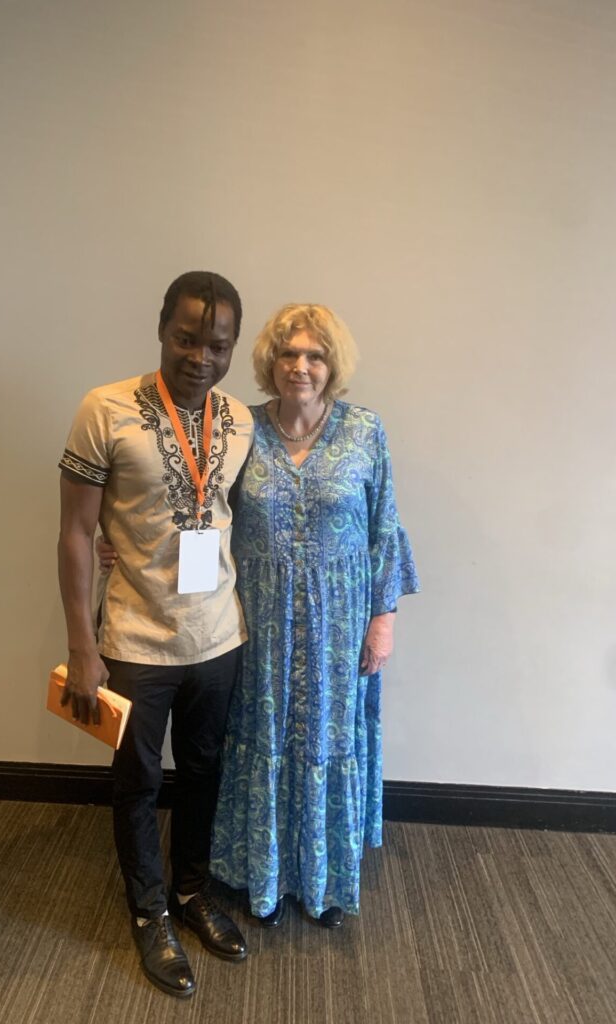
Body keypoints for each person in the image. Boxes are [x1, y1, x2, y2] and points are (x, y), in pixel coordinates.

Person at [57, 271, 253, 999]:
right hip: (136, 641)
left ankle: (193, 893)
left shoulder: (241, 419)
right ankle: (148, 911)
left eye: (218, 344)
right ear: (162, 327)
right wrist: (83, 645)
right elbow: (76, 533)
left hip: (219, 638)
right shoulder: (103, 409)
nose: (201, 356)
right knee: (136, 782)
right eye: (187, 338)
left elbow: (230, 519)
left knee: (205, 772)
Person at [209, 303, 420, 928]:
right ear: (270, 362)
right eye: (288, 354)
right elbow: (195, 510)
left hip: (340, 628)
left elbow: (385, 528)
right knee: (262, 739)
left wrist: (383, 617)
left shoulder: (364, 431)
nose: (300, 367)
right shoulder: (238, 430)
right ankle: (261, 877)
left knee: (329, 740)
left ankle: (325, 881)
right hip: (257, 625)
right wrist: (119, 540)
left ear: (332, 365)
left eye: (314, 355)